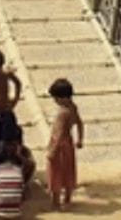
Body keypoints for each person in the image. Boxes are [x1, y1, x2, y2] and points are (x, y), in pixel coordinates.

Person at [46, 77, 84, 210]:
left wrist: (52, 150)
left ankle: (55, 201)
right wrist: (80, 139)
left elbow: (59, 133)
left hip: (59, 145)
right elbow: (79, 123)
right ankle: (67, 198)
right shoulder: (73, 107)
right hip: (69, 143)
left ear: (62, 97)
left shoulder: (62, 113)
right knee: (68, 171)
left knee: (55, 172)